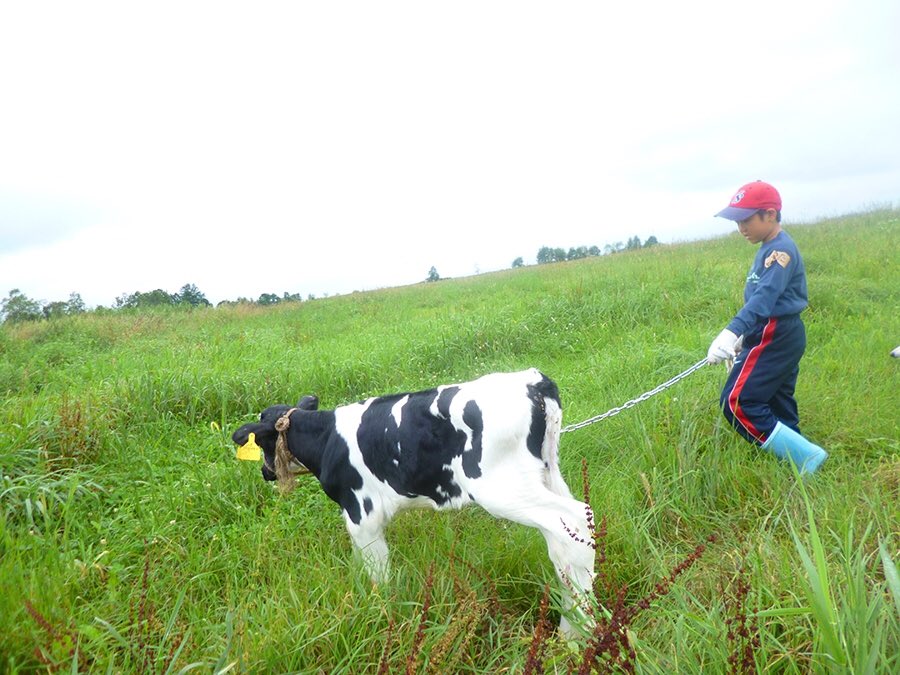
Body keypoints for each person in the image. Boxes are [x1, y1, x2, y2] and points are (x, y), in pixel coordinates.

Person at [707, 180, 827, 474]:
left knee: (737, 402)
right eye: (737, 221)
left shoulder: (780, 253)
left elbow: (764, 298)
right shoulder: (769, 247)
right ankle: (791, 465)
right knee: (777, 398)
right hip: (779, 332)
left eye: (746, 219)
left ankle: (806, 457)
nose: (741, 228)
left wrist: (733, 330)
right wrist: (745, 335)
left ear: (770, 214)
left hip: (775, 334)